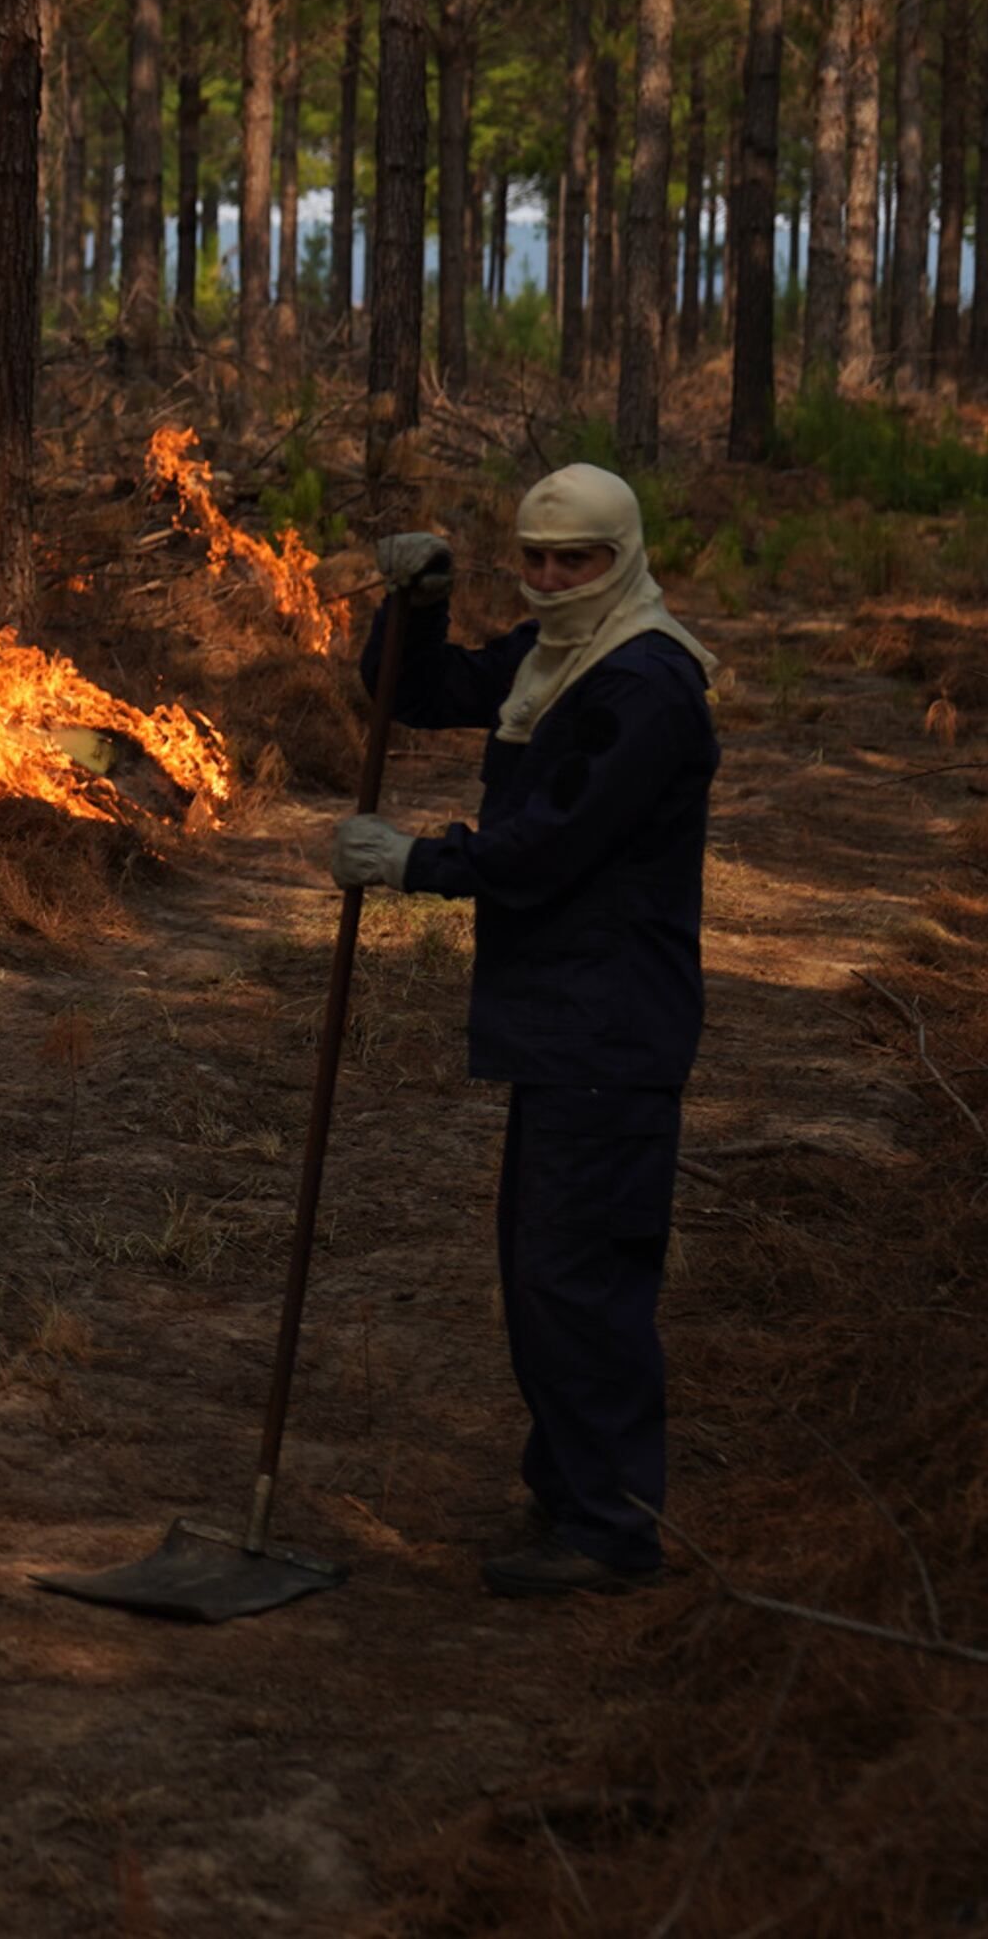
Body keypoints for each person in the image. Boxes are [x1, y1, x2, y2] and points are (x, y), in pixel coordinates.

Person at [335, 463, 720, 1599]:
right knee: (542, 1269)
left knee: (580, 1274)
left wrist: (417, 862)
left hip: (610, 1023)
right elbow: (419, 692)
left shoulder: (642, 685)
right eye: (534, 559)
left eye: (577, 560)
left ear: (624, 556)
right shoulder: (556, 651)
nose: (551, 579)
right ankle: (571, 1490)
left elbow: (555, 843)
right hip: (562, 1016)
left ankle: (609, 1525)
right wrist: (414, 604)